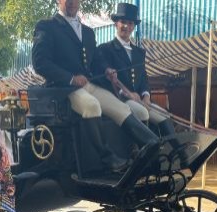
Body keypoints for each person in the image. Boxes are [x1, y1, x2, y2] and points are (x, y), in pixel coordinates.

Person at [32, 0, 159, 173]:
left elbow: (94, 62)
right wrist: (70, 78)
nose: (71, 3)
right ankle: (107, 158)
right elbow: (40, 62)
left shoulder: (88, 32)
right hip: (64, 88)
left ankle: (153, 145)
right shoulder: (46, 26)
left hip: (89, 85)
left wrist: (106, 70)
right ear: (58, 1)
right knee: (91, 106)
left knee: (121, 107)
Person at [97, 3, 180, 152]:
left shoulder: (139, 52)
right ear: (116, 24)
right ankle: (143, 154)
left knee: (164, 115)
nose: (126, 27)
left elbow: (143, 79)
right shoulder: (105, 49)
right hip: (120, 99)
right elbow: (106, 80)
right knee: (142, 112)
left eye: (130, 23)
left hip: (140, 100)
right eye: (123, 22)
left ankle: (178, 152)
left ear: (133, 26)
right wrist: (127, 94)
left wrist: (146, 96)